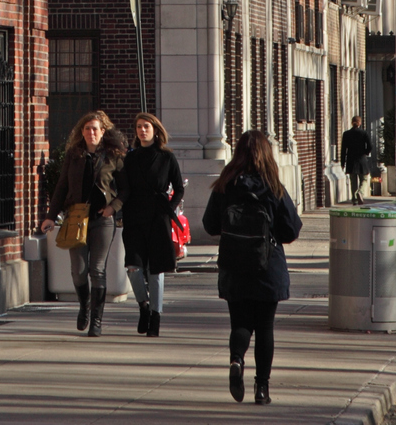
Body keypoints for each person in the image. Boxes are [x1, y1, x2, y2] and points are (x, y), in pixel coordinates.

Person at [204, 129, 302, 406]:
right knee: (265, 326)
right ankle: (262, 388)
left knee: (240, 322)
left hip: (234, 265)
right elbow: (291, 229)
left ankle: (236, 359)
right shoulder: (273, 188)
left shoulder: (225, 186)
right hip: (266, 266)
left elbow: (210, 225)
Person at [39, 112, 127, 336]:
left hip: (102, 220)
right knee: (78, 271)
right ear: (82, 132)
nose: (91, 133)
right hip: (77, 218)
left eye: (95, 129)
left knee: (97, 269)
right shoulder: (74, 155)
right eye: (87, 129)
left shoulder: (113, 156)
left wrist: (112, 208)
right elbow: (61, 187)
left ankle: (96, 321)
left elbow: (127, 189)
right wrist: (51, 215)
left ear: (103, 131)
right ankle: (84, 307)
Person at [121, 112, 186, 337]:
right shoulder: (130, 158)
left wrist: (170, 208)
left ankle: (156, 316)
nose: (142, 130)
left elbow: (179, 187)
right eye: (139, 127)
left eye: (146, 126)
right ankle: (143, 306)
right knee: (133, 267)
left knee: (156, 269)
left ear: (155, 130)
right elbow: (124, 188)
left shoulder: (167, 158)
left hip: (159, 218)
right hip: (134, 217)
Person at [339, 115, 375, 204]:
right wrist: (365, 152)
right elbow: (370, 146)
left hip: (351, 160)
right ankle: (360, 192)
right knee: (364, 178)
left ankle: (354, 199)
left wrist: (343, 162)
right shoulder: (364, 133)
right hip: (361, 159)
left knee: (353, 181)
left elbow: (343, 150)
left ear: (352, 123)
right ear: (360, 123)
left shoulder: (346, 134)